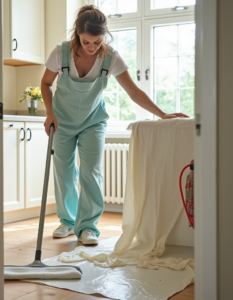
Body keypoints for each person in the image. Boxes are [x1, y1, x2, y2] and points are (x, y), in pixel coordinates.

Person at [41, 4, 188, 245]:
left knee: (91, 172)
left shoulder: (110, 57)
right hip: (62, 121)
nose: (91, 47)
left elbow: (134, 92)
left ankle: (88, 227)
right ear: (77, 33)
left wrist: (163, 114)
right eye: (87, 42)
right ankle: (67, 222)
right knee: (64, 173)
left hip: (93, 122)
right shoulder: (61, 52)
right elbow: (45, 83)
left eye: (97, 42)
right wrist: (49, 113)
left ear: (104, 36)